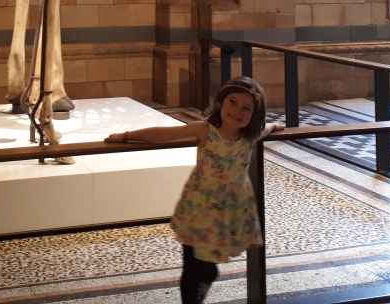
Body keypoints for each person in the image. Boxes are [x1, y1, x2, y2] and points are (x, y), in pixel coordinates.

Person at [105, 77, 282, 304]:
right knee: (193, 265)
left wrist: (274, 126)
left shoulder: (249, 136)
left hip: (227, 212)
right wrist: (127, 136)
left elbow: (265, 129)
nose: (237, 111)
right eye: (233, 102)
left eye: (246, 108)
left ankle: (197, 291)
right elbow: (163, 134)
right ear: (221, 102)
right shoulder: (205, 130)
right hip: (199, 209)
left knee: (207, 268)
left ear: (254, 115)